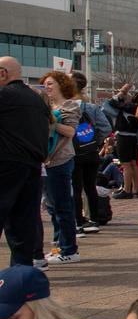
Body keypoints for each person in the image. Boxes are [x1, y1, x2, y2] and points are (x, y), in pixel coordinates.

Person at [0, 56, 52, 266]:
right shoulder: (36, 99)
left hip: (6, 163)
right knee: (22, 224)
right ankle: (20, 273)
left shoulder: (4, 95)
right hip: (32, 166)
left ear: (3, 73)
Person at [41, 71, 82, 266]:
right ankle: (58, 246)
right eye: (45, 84)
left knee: (63, 205)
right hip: (47, 161)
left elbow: (71, 131)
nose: (47, 87)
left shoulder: (69, 105)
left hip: (61, 160)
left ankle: (69, 249)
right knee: (52, 206)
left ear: (61, 85)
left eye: (50, 84)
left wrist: (52, 120)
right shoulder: (48, 105)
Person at [69, 71, 111, 234]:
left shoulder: (65, 106)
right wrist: (94, 141)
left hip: (73, 153)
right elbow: (106, 128)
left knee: (76, 188)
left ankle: (78, 221)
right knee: (90, 187)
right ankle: (94, 220)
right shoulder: (91, 107)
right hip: (91, 153)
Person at [104, 84, 138, 200]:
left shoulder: (131, 106)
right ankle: (135, 190)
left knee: (126, 164)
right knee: (133, 163)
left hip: (124, 136)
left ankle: (127, 190)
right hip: (134, 137)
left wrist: (122, 91)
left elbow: (112, 102)